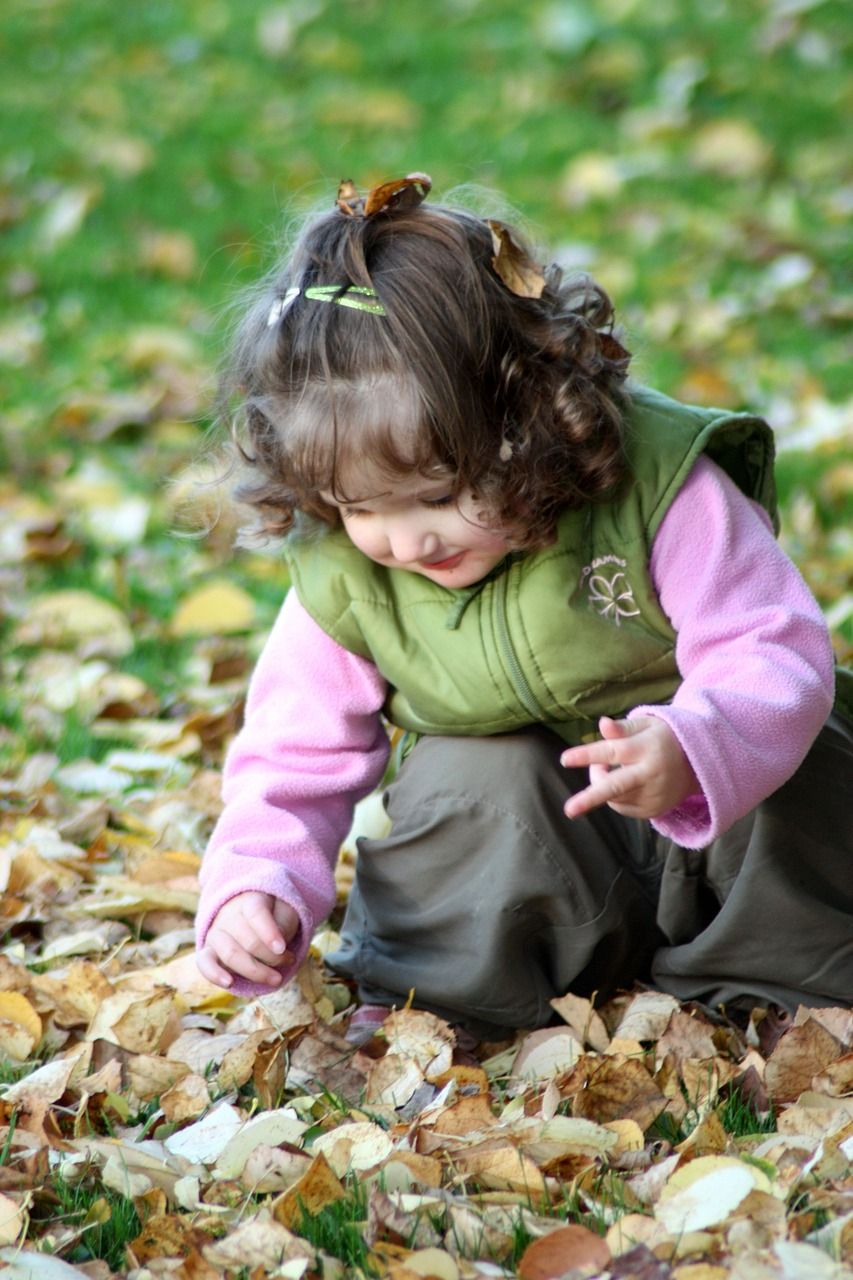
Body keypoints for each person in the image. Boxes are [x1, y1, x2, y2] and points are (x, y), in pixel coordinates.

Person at [195, 172, 852, 1038]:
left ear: (530, 418)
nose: (407, 541)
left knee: (796, 759)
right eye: (360, 509)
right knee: (472, 774)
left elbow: (770, 646)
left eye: (440, 493)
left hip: (713, 829)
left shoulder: (657, 487)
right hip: (546, 864)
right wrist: (255, 883)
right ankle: (446, 1000)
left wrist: (698, 743)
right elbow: (292, 753)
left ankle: (775, 991)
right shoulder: (344, 578)